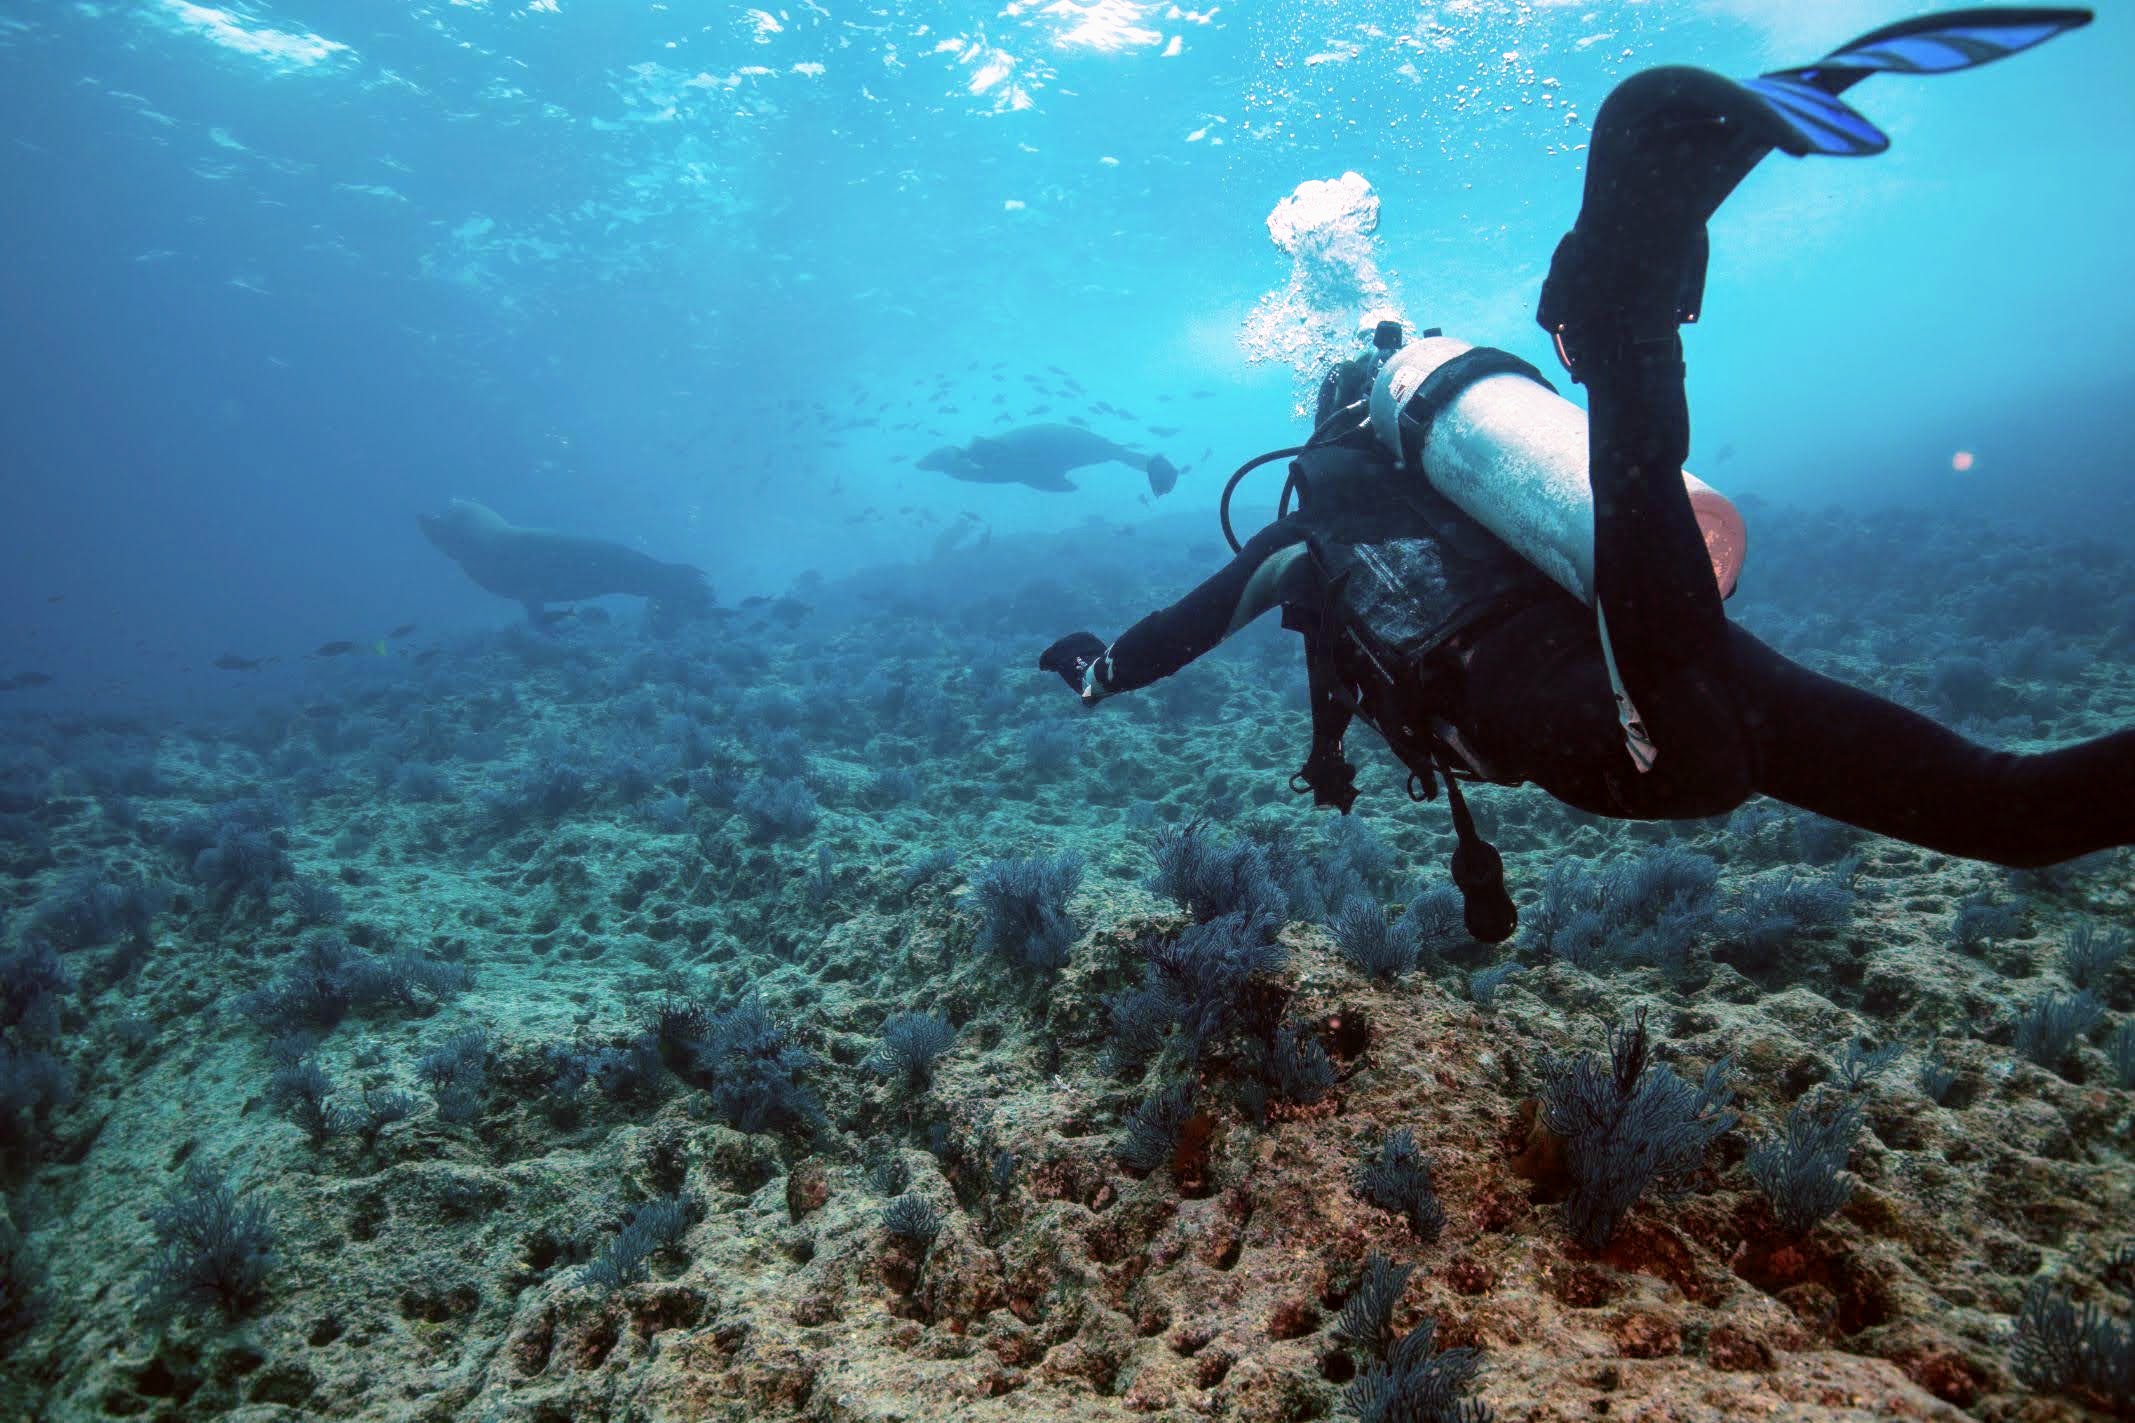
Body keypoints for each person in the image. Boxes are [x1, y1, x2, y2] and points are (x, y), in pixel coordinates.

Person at [1041, 6, 2127, 941]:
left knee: (1722, 770)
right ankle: (1625, 310)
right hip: (1681, 643)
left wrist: (1101, 671)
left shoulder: (1309, 532)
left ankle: (1619, 320)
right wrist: (1325, 748)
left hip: (1619, 707)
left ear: (1324, 433)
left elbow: (1181, 628)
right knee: (2010, 812)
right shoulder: (1466, 487)